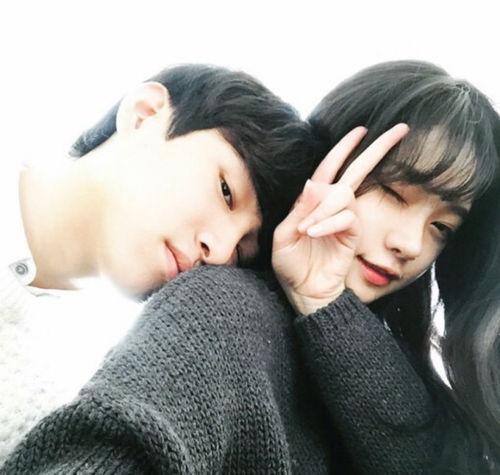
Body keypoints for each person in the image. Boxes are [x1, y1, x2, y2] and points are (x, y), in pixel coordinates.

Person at [3, 61, 499, 473]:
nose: (410, 243)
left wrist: (327, 307)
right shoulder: (220, 310)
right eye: (392, 191)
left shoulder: (417, 395)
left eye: (442, 228)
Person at [0, 64, 316, 466]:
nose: (220, 252)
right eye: (225, 191)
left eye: (240, 250)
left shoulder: (86, 396)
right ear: (145, 113)